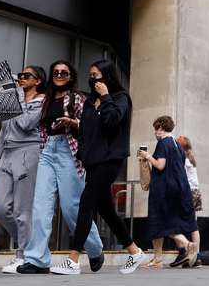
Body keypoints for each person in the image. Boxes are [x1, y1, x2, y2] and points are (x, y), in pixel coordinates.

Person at [50, 60, 146, 275]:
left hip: (111, 158)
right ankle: (135, 250)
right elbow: (88, 131)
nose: (93, 79)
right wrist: (73, 126)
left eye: (97, 75)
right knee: (106, 210)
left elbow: (112, 121)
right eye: (91, 75)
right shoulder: (89, 101)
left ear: (107, 76)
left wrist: (106, 97)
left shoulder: (120, 98)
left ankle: (73, 259)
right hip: (92, 160)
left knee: (86, 202)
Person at [16, 61, 104, 274]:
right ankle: (37, 259)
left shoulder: (78, 98)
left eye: (64, 72)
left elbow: (93, 127)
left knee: (71, 206)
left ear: (71, 76)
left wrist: (74, 124)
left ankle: (94, 248)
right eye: (56, 72)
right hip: (48, 151)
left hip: (69, 151)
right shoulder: (45, 98)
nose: (59, 75)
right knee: (40, 206)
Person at [0, 65, 46, 274]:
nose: (21, 79)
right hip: (7, 155)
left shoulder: (41, 102)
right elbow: (3, 135)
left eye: (27, 76)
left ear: (38, 81)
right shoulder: (14, 101)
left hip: (28, 153)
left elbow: (26, 124)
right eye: (20, 76)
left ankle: (23, 255)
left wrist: (14, 100)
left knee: (22, 210)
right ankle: (28, 243)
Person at [137, 115, 198, 269]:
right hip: (180, 188)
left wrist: (147, 156)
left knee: (162, 222)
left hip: (163, 189)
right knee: (161, 223)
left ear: (160, 128)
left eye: (155, 129)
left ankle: (186, 244)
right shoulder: (177, 145)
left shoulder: (163, 143)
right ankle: (157, 259)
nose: (155, 132)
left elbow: (160, 165)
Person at [176, 134, 202, 267]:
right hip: (196, 192)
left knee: (176, 222)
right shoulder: (191, 158)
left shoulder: (183, 160)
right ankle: (197, 256)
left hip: (188, 193)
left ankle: (184, 253)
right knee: (194, 225)